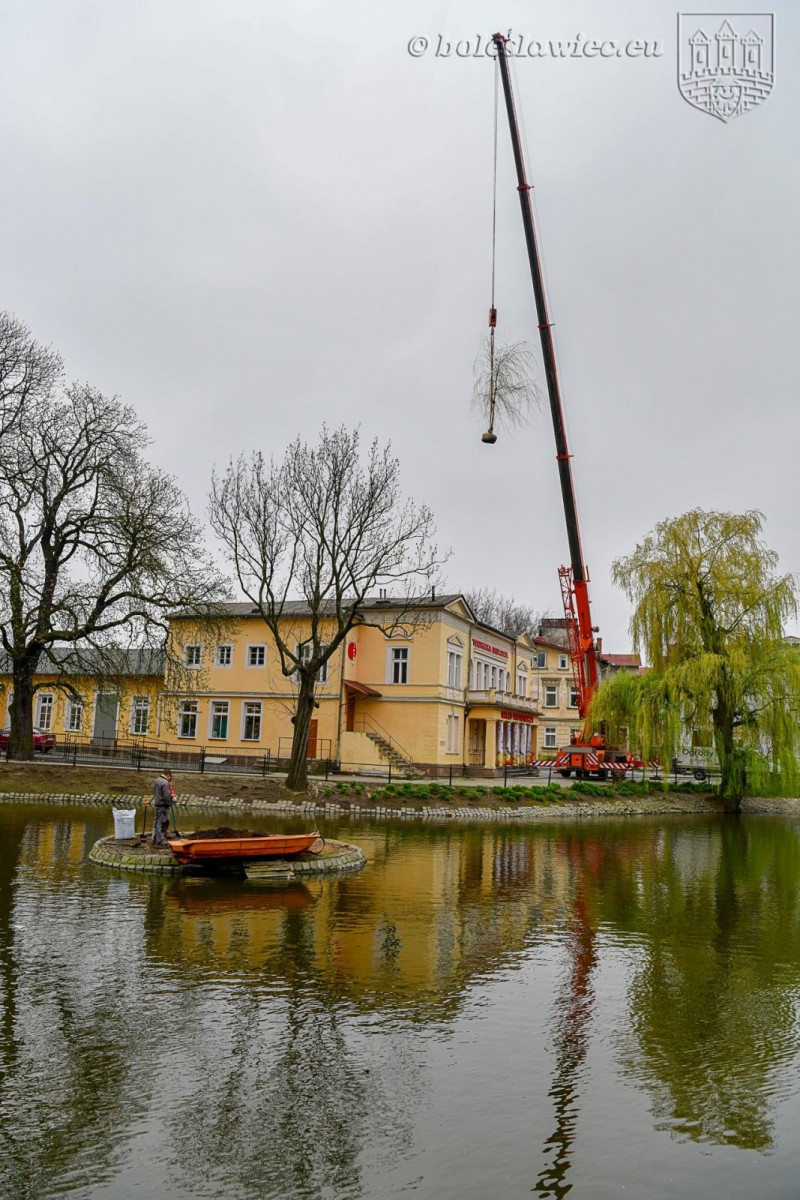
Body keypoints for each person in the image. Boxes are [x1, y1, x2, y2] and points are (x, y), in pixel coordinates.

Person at [144, 768, 175, 847]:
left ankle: (156, 838)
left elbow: (155, 792)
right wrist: (170, 803)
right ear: (168, 774)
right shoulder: (165, 783)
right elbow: (166, 795)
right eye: (170, 776)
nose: (170, 778)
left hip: (157, 803)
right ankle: (160, 840)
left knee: (159, 821)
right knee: (160, 822)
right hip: (162, 805)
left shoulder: (157, 780)